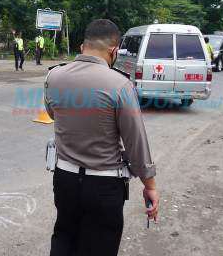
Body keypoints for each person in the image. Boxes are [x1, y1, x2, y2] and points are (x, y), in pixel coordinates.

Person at [44, 19, 159, 256]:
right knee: (99, 246)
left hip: (64, 180)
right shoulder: (119, 85)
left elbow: (52, 114)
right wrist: (150, 186)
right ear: (113, 50)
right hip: (103, 187)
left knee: (64, 237)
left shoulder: (53, 77)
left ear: (82, 46)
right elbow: (135, 141)